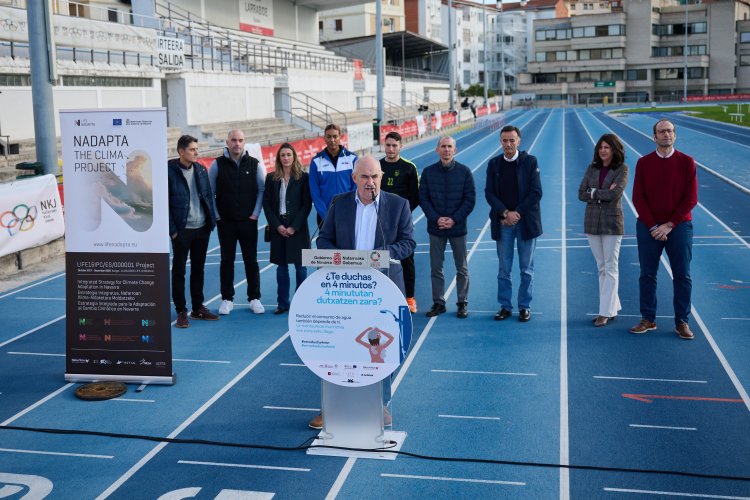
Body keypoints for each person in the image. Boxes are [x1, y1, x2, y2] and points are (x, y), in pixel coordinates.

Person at [309, 156, 416, 430]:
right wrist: (341, 259)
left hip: (383, 291)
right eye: (365, 177)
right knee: (340, 345)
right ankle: (332, 405)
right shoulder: (339, 203)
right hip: (346, 290)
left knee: (379, 347)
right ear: (354, 178)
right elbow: (323, 239)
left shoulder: (398, 205)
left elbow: (408, 243)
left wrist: (383, 255)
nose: (371, 183)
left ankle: (380, 404)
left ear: (381, 178)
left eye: (375, 177)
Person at [630, 119, 698, 340]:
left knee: (682, 275)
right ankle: (648, 318)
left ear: (675, 135)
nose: (666, 134)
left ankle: (682, 322)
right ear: (654, 136)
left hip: (678, 227)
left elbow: (691, 199)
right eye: (661, 131)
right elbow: (638, 198)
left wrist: (669, 225)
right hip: (649, 227)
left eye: (669, 131)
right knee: (647, 274)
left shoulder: (687, 162)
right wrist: (653, 226)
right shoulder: (643, 163)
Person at [485, 125, 543, 323]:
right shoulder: (493, 164)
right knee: (504, 269)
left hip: (526, 223)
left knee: (526, 269)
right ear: (500, 142)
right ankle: (505, 306)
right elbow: (489, 193)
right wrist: (505, 213)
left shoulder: (529, 161)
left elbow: (536, 192)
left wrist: (516, 213)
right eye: (504, 140)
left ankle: (524, 307)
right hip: (503, 223)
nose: (508, 144)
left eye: (512, 140)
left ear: (519, 141)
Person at [209, 130, 266, 316]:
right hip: (225, 222)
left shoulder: (254, 164)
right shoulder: (217, 165)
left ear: (244, 142)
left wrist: (255, 214)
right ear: (227, 142)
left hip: (248, 222)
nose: (237, 143)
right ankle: (227, 299)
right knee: (227, 261)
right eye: (234, 140)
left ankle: (254, 298)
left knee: (252, 261)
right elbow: (210, 193)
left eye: (240, 140)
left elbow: (261, 190)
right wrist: (217, 216)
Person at [419, 136, 476, 319]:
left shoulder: (465, 172)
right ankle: (439, 303)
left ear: (455, 150)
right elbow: (424, 199)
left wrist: (453, 220)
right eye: (443, 146)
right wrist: (437, 219)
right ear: (437, 150)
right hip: (436, 229)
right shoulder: (428, 172)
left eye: (449, 146)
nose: (446, 149)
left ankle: (462, 303)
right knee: (436, 267)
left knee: (462, 268)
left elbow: (470, 200)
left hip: (457, 228)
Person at [577, 133, 629, 327]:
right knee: (601, 268)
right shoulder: (592, 168)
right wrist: (599, 193)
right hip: (592, 222)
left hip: (612, 223)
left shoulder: (623, 169)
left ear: (615, 149)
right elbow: (581, 194)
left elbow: (615, 193)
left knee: (610, 266)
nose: (603, 150)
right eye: (601, 147)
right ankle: (611, 307)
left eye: (607, 147)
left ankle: (604, 312)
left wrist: (594, 192)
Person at [168, 135, 219, 328]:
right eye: (192, 150)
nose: (197, 152)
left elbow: (208, 197)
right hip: (182, 231)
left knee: (198, 270)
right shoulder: (169, 172)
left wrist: (210, 222)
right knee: (179, 271)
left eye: (197, 149)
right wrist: (173, 231)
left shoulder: (201, 170)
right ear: (181, 151)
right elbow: (163, 205)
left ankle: (197, 308)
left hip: (202, 229)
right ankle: (181, 310)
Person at [263, 143, 312, 315]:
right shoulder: (271, 178)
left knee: (301, 267)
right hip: (279, 228)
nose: (286, 158)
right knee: (281, 267)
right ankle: (282, 303)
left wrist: (293, 227)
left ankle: (301, 301)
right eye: (282, 155)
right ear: (278, 158)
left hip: (297, 229)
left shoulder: (303, 178)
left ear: (294, 157)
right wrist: (277, 225)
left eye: (288, 155)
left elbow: (307, 205)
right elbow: (267, 204)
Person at [380, 131, 420, 313]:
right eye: (388, 145)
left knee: (406, 259)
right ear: (384, 145)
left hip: (402, 222)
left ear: (400, 147)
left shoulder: (409, 168)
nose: (390, 149)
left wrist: (400, 215)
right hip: (380, 222)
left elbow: (415, 197)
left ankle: (409, 297)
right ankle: (382, 295)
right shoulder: (377, 165)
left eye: (394, 145)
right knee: (379, 258)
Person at [308, 124, 358, 228]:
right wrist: (326, 216)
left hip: (348, 212)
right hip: (324, 215)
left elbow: (356, 185)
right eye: (329, 136)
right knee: (326, 244)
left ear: (340, 137)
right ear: (324, 138)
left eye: (335, 136)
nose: (332, 140)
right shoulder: (316, 161)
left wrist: (349, 208)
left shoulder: (352, 158)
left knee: (347, 244)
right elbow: (315, 192)